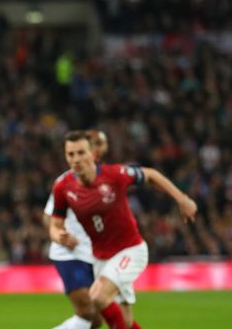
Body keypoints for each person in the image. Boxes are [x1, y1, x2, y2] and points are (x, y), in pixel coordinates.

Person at [49, 130, 197, 329]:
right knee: (125, 322)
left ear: (92, 153)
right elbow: (55, 224)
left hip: (130, 249)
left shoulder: (114, 175)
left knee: (98, 296)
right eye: (71, 154)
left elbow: (151, 175)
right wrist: (59, 236)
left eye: (81, 153)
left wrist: (182, 199)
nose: (76, 159)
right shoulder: (63, 187)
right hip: (101, 257)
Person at [43, 130, 108, 329]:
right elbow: (49, 217)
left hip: (94, 255)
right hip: (69, 254)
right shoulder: (64, 183)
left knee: (95, 320)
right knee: (87, 311)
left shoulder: (108, 180)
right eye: (71, 154)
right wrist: (60, 235)